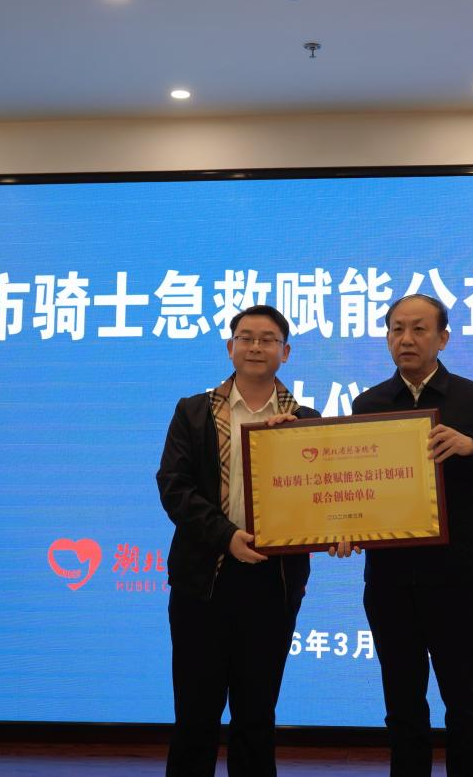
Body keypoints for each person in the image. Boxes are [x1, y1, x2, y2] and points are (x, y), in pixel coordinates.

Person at [345, 293, 473, 776]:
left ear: (443, 338)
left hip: (455, 579)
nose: (406, 339)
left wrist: (472, 446)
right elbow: (356, 485)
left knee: (464, 702)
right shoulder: (368, 404)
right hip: (388, 581)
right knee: (402, 705)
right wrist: (343, 525)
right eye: (397, 329)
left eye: (419, 329)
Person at [156, 305, 320, 777]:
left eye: (267, 339)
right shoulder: (194, 412)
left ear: (285, 352)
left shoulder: (305, 421)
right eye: (245, 337)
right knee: (195, 715)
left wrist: (337, 531)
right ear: (230, 348)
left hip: (274, 582)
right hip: (203, 580)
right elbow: (174, 487)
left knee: (256, 715)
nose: (255, 346)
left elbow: (320, 499)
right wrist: (226, 537)